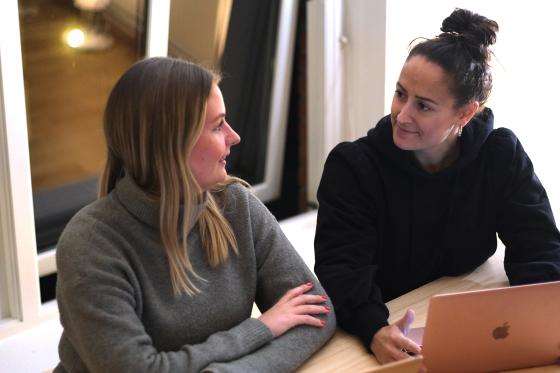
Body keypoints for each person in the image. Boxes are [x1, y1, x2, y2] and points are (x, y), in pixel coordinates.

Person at [54, 57, 335, 373]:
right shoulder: (89, 246)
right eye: (218, 126)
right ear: (171, 145)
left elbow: (316, 314)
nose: (234, 136)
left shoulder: (235, 204)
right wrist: (261, 329)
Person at [314, 8, 560, 365]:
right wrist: (374, 328)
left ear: (465, 114)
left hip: (461, 302)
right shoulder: (353, 167)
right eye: (401, 94)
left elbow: (539, 247)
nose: (402, 114)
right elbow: (340, 269)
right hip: (389, 321)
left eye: (424, 106)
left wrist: (542, 320)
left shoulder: (499, 155)